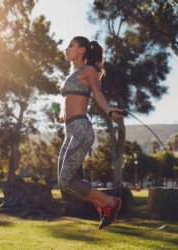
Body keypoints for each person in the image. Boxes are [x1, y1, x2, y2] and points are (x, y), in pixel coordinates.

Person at [57, 36, 124, 230]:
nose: (66, 48)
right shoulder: (73, 73)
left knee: (66, 179)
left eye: (71, 45)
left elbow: (98, 94)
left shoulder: (89, 70)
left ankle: (111, 203)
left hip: (81, 129)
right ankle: (105, 204)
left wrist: (110, 109)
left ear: (82, 50)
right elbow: (72, 99)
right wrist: (62, 116)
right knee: (63, 183)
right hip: (69, 131)